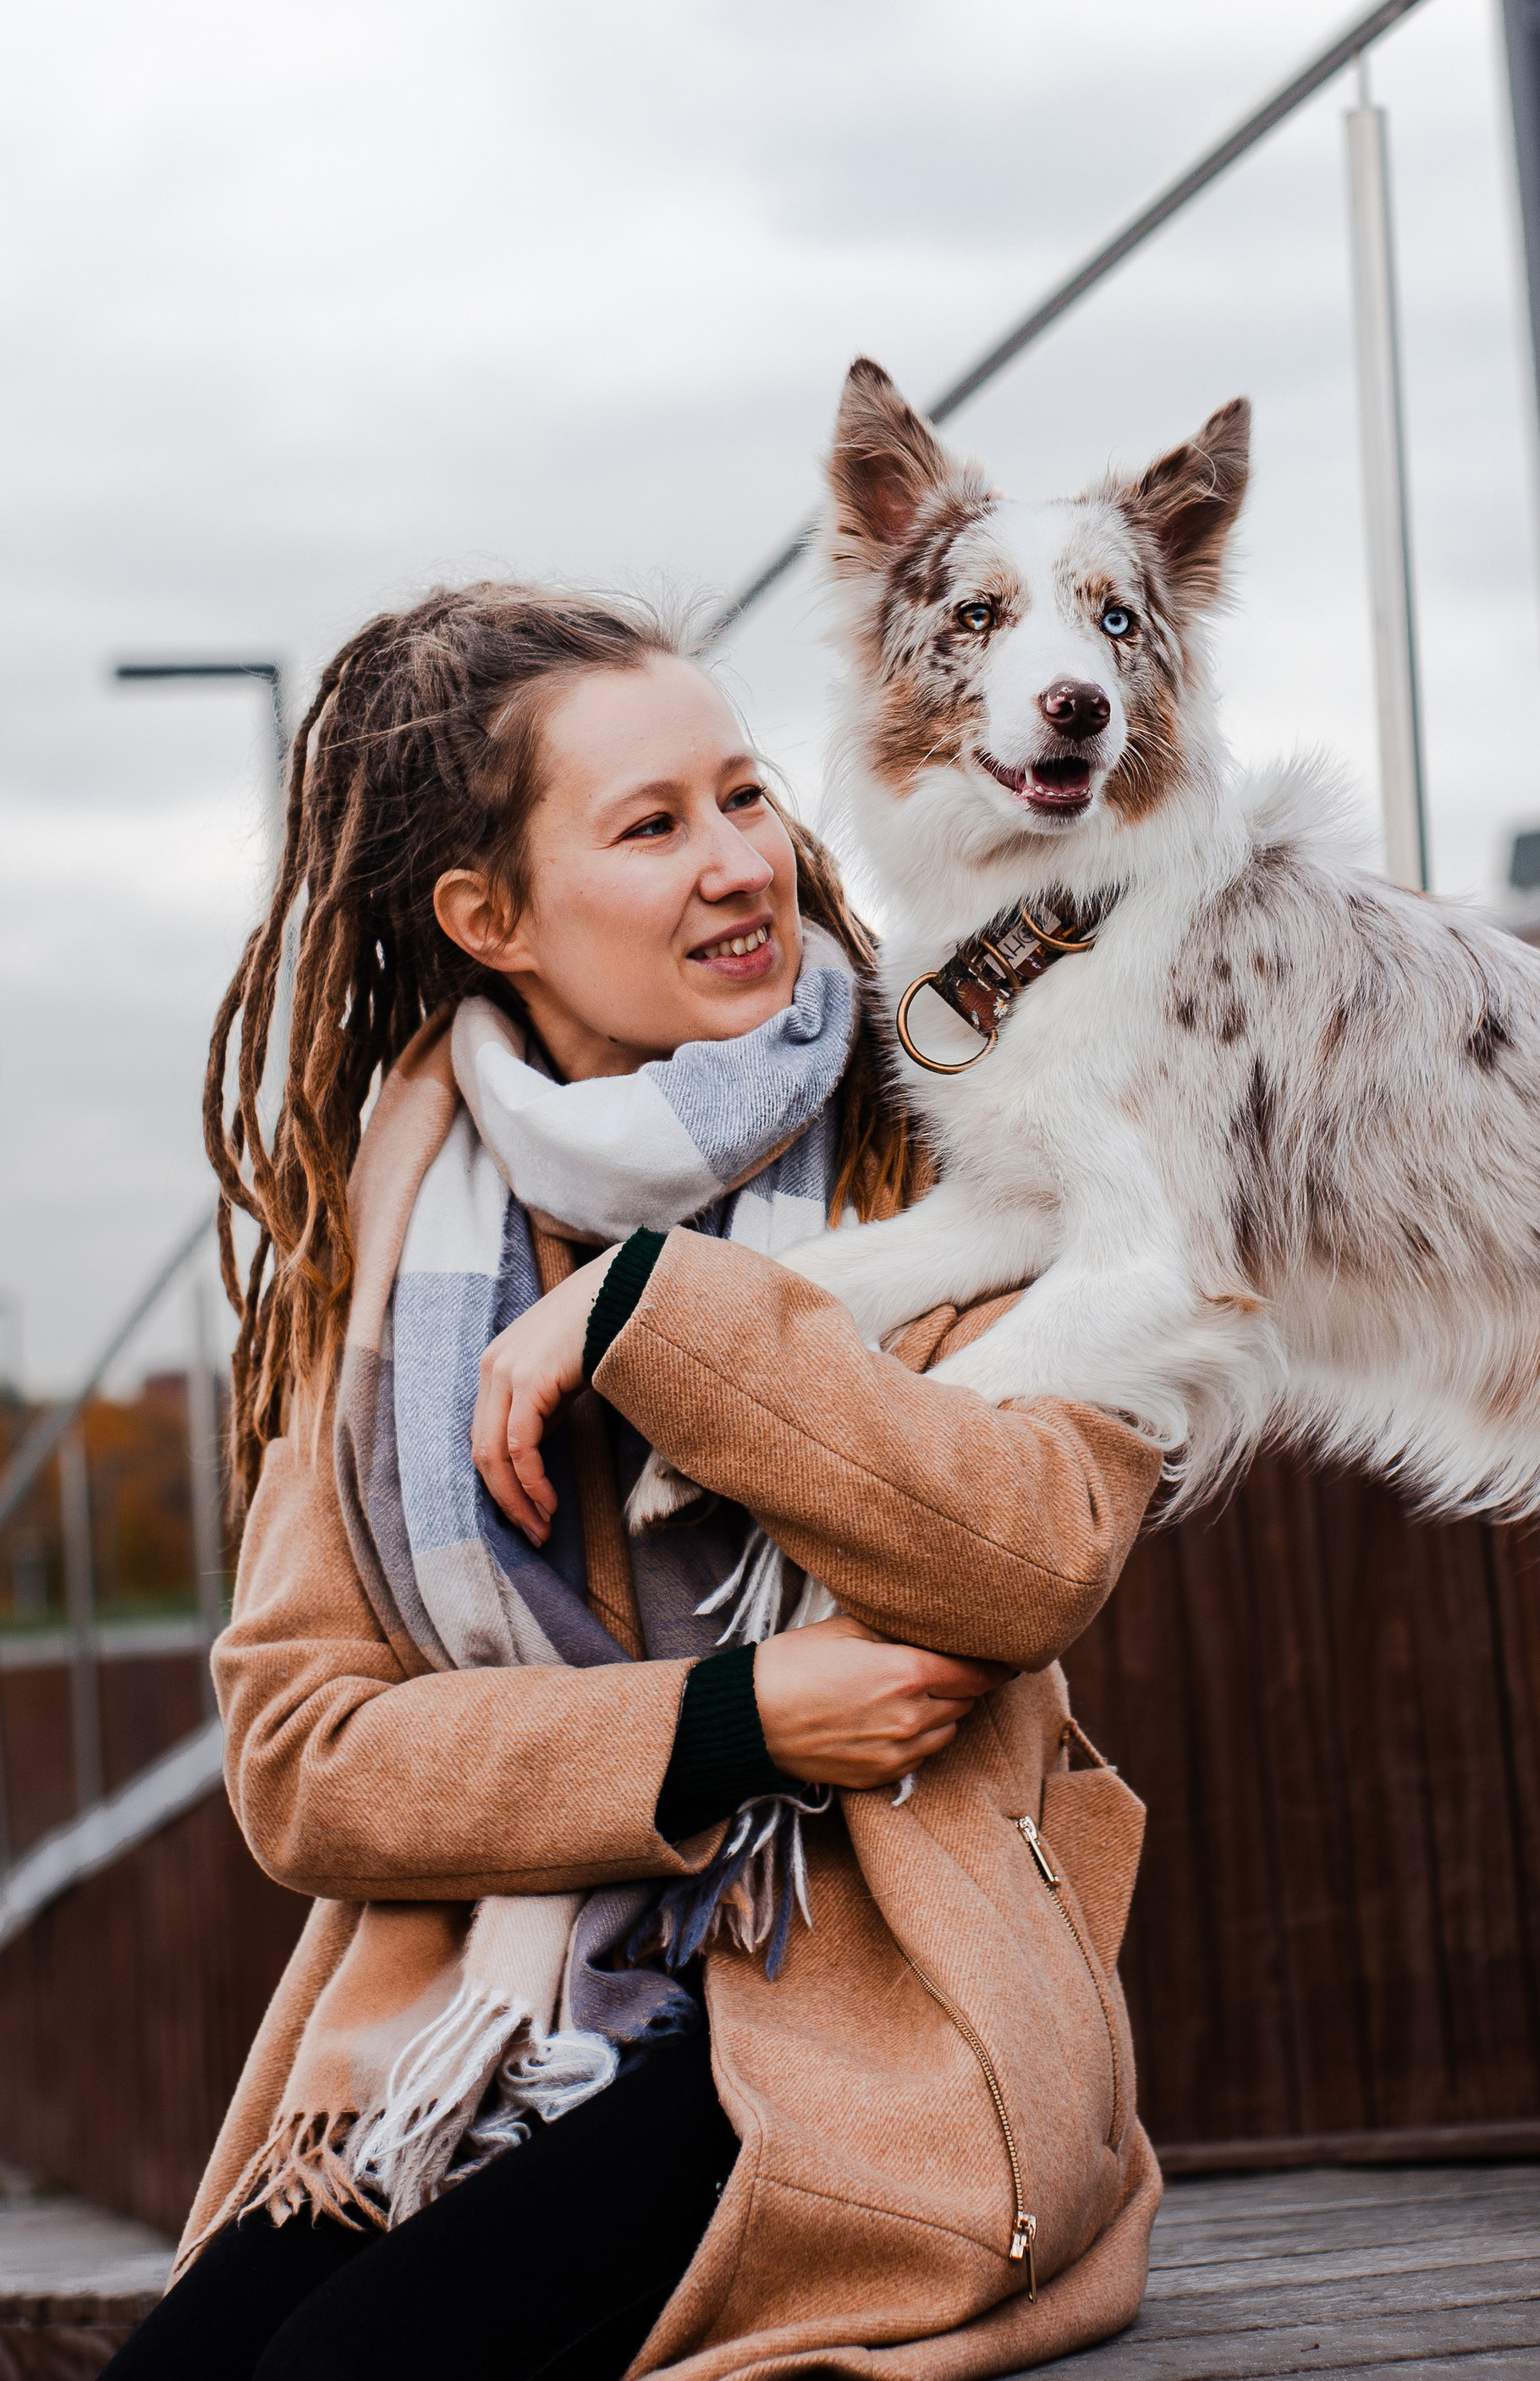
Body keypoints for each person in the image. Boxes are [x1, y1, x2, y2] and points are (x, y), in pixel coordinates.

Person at [112, 583, 1160, 2381]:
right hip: (472, 2037)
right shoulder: (386, 1233)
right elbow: (302, 1761)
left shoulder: (957, 1118)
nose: (743, 863)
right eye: (653, 826)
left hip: (864, 2014)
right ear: (488, 917)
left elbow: (1032, 1553)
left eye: (744, 795)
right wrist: (731, 1722)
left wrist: (661, 1313)